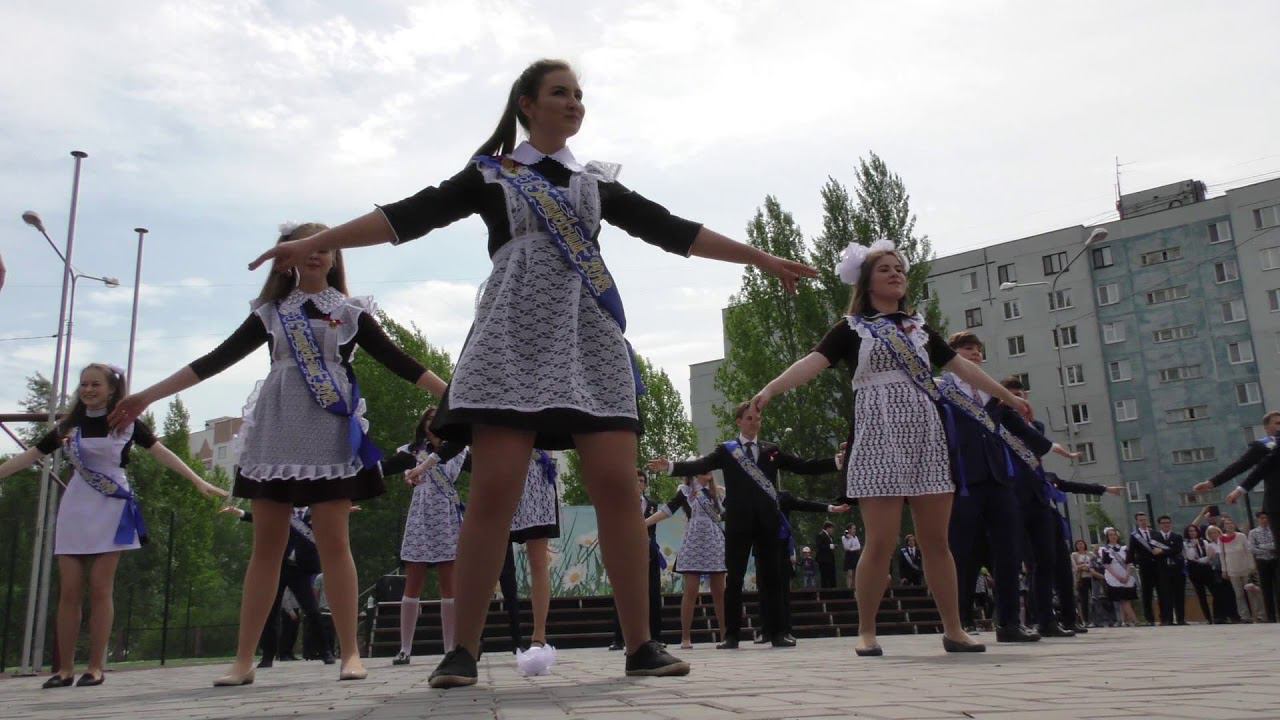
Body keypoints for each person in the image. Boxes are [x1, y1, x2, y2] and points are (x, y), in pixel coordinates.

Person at [250, 60, 815, 688]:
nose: (574, 103)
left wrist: (760, 258)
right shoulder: (491, 173)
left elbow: (673, 230)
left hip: (589, 340)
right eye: (560, 93)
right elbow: (407, 216)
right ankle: (462, 651)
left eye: (579, 94)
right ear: (527, 103)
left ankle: (641, 644)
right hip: (510, 340)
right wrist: (315, 242)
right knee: (494, 490)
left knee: (617, 488)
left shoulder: (595, 183)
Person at [111, 222, 444, 686]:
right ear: (288, 256)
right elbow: (213, 361)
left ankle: (350, 653)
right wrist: (147, 396)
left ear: (335, 257)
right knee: (266, 549)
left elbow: (401, 362)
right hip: (276, 430)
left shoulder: (350, 312)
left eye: (325, 247)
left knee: (335, 542)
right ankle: (243, 659)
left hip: (329, 432)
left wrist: (454, 395)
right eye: (307, 246)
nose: (316, 254)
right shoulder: (271, 313)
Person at [751, 240, 1030, 655]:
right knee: (880, 541)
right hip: (877, 436)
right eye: (885, 269)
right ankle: (866, 630)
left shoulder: (920, 329)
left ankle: (954, 629)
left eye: (899, 268)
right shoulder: (851, 329)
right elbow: (812, 362)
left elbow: (961, 368)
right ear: (866, 281)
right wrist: (770, 389)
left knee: (937, 541)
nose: (895, 274)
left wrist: (1008, 398)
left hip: (925, 436)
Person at [0, 363, 224, 688]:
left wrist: (197, 480)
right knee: (69, 591)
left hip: (112, 506)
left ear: (111, 389)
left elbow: (162, 453)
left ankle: (95, 667)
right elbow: (30, 455)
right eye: (84, 384)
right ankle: (64, 670)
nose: (88, 390)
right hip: (76, 507)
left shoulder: (127, 423)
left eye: (96, 384)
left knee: (101, 588)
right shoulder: (70, 426)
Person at [648, 402, 838, 649]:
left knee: (772, 577)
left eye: (757, 419)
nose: (754, 423)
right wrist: (671, 466)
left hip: (767, 522)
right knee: (735, 579)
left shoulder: (771, 450)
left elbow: (802, 466)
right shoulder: (727, 450)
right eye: (749, 418)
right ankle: (731, 636)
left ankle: (778, 632)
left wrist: (835, 462)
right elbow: (701, 465)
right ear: (739, 421)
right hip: (738, 522)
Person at [942, 334, 1070, 642]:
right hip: (961, 480)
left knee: (1008, 550)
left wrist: (1049, 446)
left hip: (998, 478)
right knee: (961, 553)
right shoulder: (941, 389)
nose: (975, 354)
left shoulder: (992, 393)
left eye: (979, 350)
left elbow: (1016, 426)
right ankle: (956, 623)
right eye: (968, 349)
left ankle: (1009, 623)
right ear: (952, 354)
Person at [380, 408, 469, 665]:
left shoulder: (459, 450)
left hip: (446, 517)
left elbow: (485, 466)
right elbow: (386, 467)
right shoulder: (413, 451)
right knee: (413, 581)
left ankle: (450, 648)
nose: (433, 423)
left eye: (436, 418)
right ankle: (405, 648)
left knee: (448, 585)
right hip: (420, 516)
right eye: (428, 419)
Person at [220, 505, 337, 668]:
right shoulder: (283, 511)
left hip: (301, 570)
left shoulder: (315, 512)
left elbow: (332, 519)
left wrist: (342, 510)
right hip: (278, 567)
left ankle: (326, 652)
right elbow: (261, 518)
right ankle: (267, 655)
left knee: (312, 610)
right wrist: (240, 513)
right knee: (270, 611)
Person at [645, 472, 726, 649]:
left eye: (709, 468)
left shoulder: (719, 492)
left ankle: (725, 635)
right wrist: (644, 523)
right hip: (693, 542)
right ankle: (686, 638)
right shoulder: (686, 491)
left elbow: (728, 514)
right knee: (690, 591)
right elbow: (667, 510)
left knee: (720, 592)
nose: (708, 471)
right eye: (703, 468)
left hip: (715, 542)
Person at [610, 470, 666, 650]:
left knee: (652, 593)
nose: (638, 484)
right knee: (623, 594)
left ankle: (655, 636)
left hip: (649, 552)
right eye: (635, 480)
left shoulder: (652, 505)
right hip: (626, 552)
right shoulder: (620, 503)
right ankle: (619, 639)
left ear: (645, 485)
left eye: (641, 481)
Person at [1218, 516, 1258, 622]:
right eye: (1226, 524)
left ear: (1234, 525)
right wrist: (1224, 570)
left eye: (1231, 523)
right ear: (1224, 527)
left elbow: (1248, 551)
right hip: (1232, 569)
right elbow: (1222, 555)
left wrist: (1252, 566)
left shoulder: (1241, 536)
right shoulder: (1221, 538)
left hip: (1245, 567)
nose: (1229, 526)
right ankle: (1244, 616)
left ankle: (1256, 614)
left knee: (1250, 592)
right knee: (1239, 594)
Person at [1098, 528, 1138, 626]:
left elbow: (1129, 562)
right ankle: (1135, 620)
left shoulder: (1124, 548)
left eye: (1114, 534)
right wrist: (1118, 577)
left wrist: (1127, 575)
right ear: (1107, 537)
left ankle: (1125, 621)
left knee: (1125, 599)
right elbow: (1106, 565)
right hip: (1114, 576)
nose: (1113, 536)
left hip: (1126, 575)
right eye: (1110, 535)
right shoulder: (1104, 549)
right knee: (1123, 599)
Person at [1151, 514, 1186, 625]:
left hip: (1177, 570)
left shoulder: (1177, 537)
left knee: (1179, 595)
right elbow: (1154, 552)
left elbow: (1177, 550)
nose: (1166, 525)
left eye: (1168, 523)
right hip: (1162, 570)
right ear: (1159, 525)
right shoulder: (1154, 538)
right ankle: (1167, 619)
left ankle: (1181, 619)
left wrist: (1162, 551)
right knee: (1165, 596)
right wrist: (1167, 552)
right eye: (1163, 523)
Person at [1126, 513, 1159, 625]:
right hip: (1144, 567)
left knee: (1162, 591)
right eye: (1141, 520)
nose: (1143, 522)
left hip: (1158, 566)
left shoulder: (1154, 533)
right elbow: (1131, 552)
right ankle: (1150, 619)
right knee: (1147, 593)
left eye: (1144, 520)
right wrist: (1131, 564)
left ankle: (1165, 617)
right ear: (1137, 522)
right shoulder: (1135, 536)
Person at [1247, 511, 1277, 622]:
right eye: (1262, 518)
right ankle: (1271, 616)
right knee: (1266, 589)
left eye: (1266, 518)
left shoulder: (1274, 530)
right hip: (1262, 562)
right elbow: (1252, 548)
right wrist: (1267, 549)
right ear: (1258, 519)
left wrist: (1262, 546)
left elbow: (1276, 545)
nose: (1264, 520)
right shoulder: (1253, 532)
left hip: (1274, 561)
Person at [1183, 524, 1216, 623]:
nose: (1192, 533)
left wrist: (1203, 560)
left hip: (1206, 568)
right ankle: (1208, 617)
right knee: (1201, 595)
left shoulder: (1204, 542)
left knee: (1215, 592)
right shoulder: (1185, 544)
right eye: (1190, 531)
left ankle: (1217, 615)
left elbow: (1209, 555)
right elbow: (1190, 557)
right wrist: (1193, 546)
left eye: (1194, 530)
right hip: (1194, 570)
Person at [1071, 539, 1094, 627]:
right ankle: (1085, 620)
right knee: (1084, 600)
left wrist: (1084, 566)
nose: (1080, 545)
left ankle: (1095, 619)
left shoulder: (1090, 554)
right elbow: (1075, 567)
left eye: (1082, 544)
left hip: (1092, 577)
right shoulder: (1074, 555)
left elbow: (1094, 564)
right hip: (1081, 579)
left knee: (1094, 598)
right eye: (1078, 544)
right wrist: (1084, 566)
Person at [815, 522, 838, 589]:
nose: (832, 530)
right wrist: (831, 546)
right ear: (828, 528)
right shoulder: (821, 535)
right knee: (825, 577)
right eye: (832, 528)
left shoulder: (830, 536)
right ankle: (825, 592)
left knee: (831, 576)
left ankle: (832, 591)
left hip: (830, 560)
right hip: (824, 560)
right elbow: (819, 546)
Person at [842, 524, 862, 588]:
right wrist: (850, 538)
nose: (855, 530)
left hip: (855, 556)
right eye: (853, 529)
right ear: (849, 529)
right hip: (849, 556)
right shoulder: (844, 537)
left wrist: (851, 549)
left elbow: (858, 547)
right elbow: (846, 547)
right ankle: (848, 589)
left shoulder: (855, 537)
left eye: (855, 529)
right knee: (849, 574)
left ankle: (854, 588)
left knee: (855, 574)